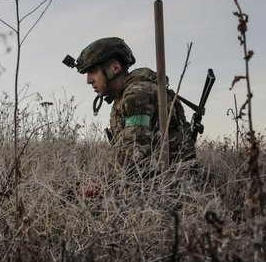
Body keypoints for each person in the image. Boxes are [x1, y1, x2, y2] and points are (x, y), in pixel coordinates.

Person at [73, 37, 196, 174]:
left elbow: (135, 156)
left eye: (93, 71)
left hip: (173, 185)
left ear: (115, 68)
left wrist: (102, 182)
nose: (89, 80)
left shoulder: (138, 94)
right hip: (155, 180)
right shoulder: (123, 96)